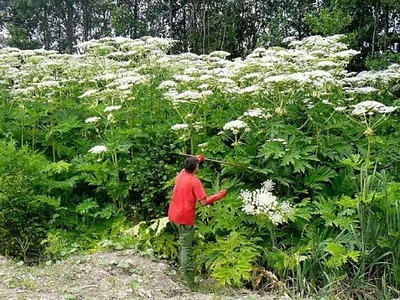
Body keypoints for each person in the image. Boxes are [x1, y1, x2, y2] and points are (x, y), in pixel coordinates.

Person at [168, 155, 227, 291]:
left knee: (182, 244)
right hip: (185, 220)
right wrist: (220, 195)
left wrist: (199, 158)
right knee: (186, 249)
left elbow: (192, 162)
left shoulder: (181, 174)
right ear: (196, 168)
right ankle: (190, 285)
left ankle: (180, 271)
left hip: (173, 216)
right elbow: (204, 202)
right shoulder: (195, 182)